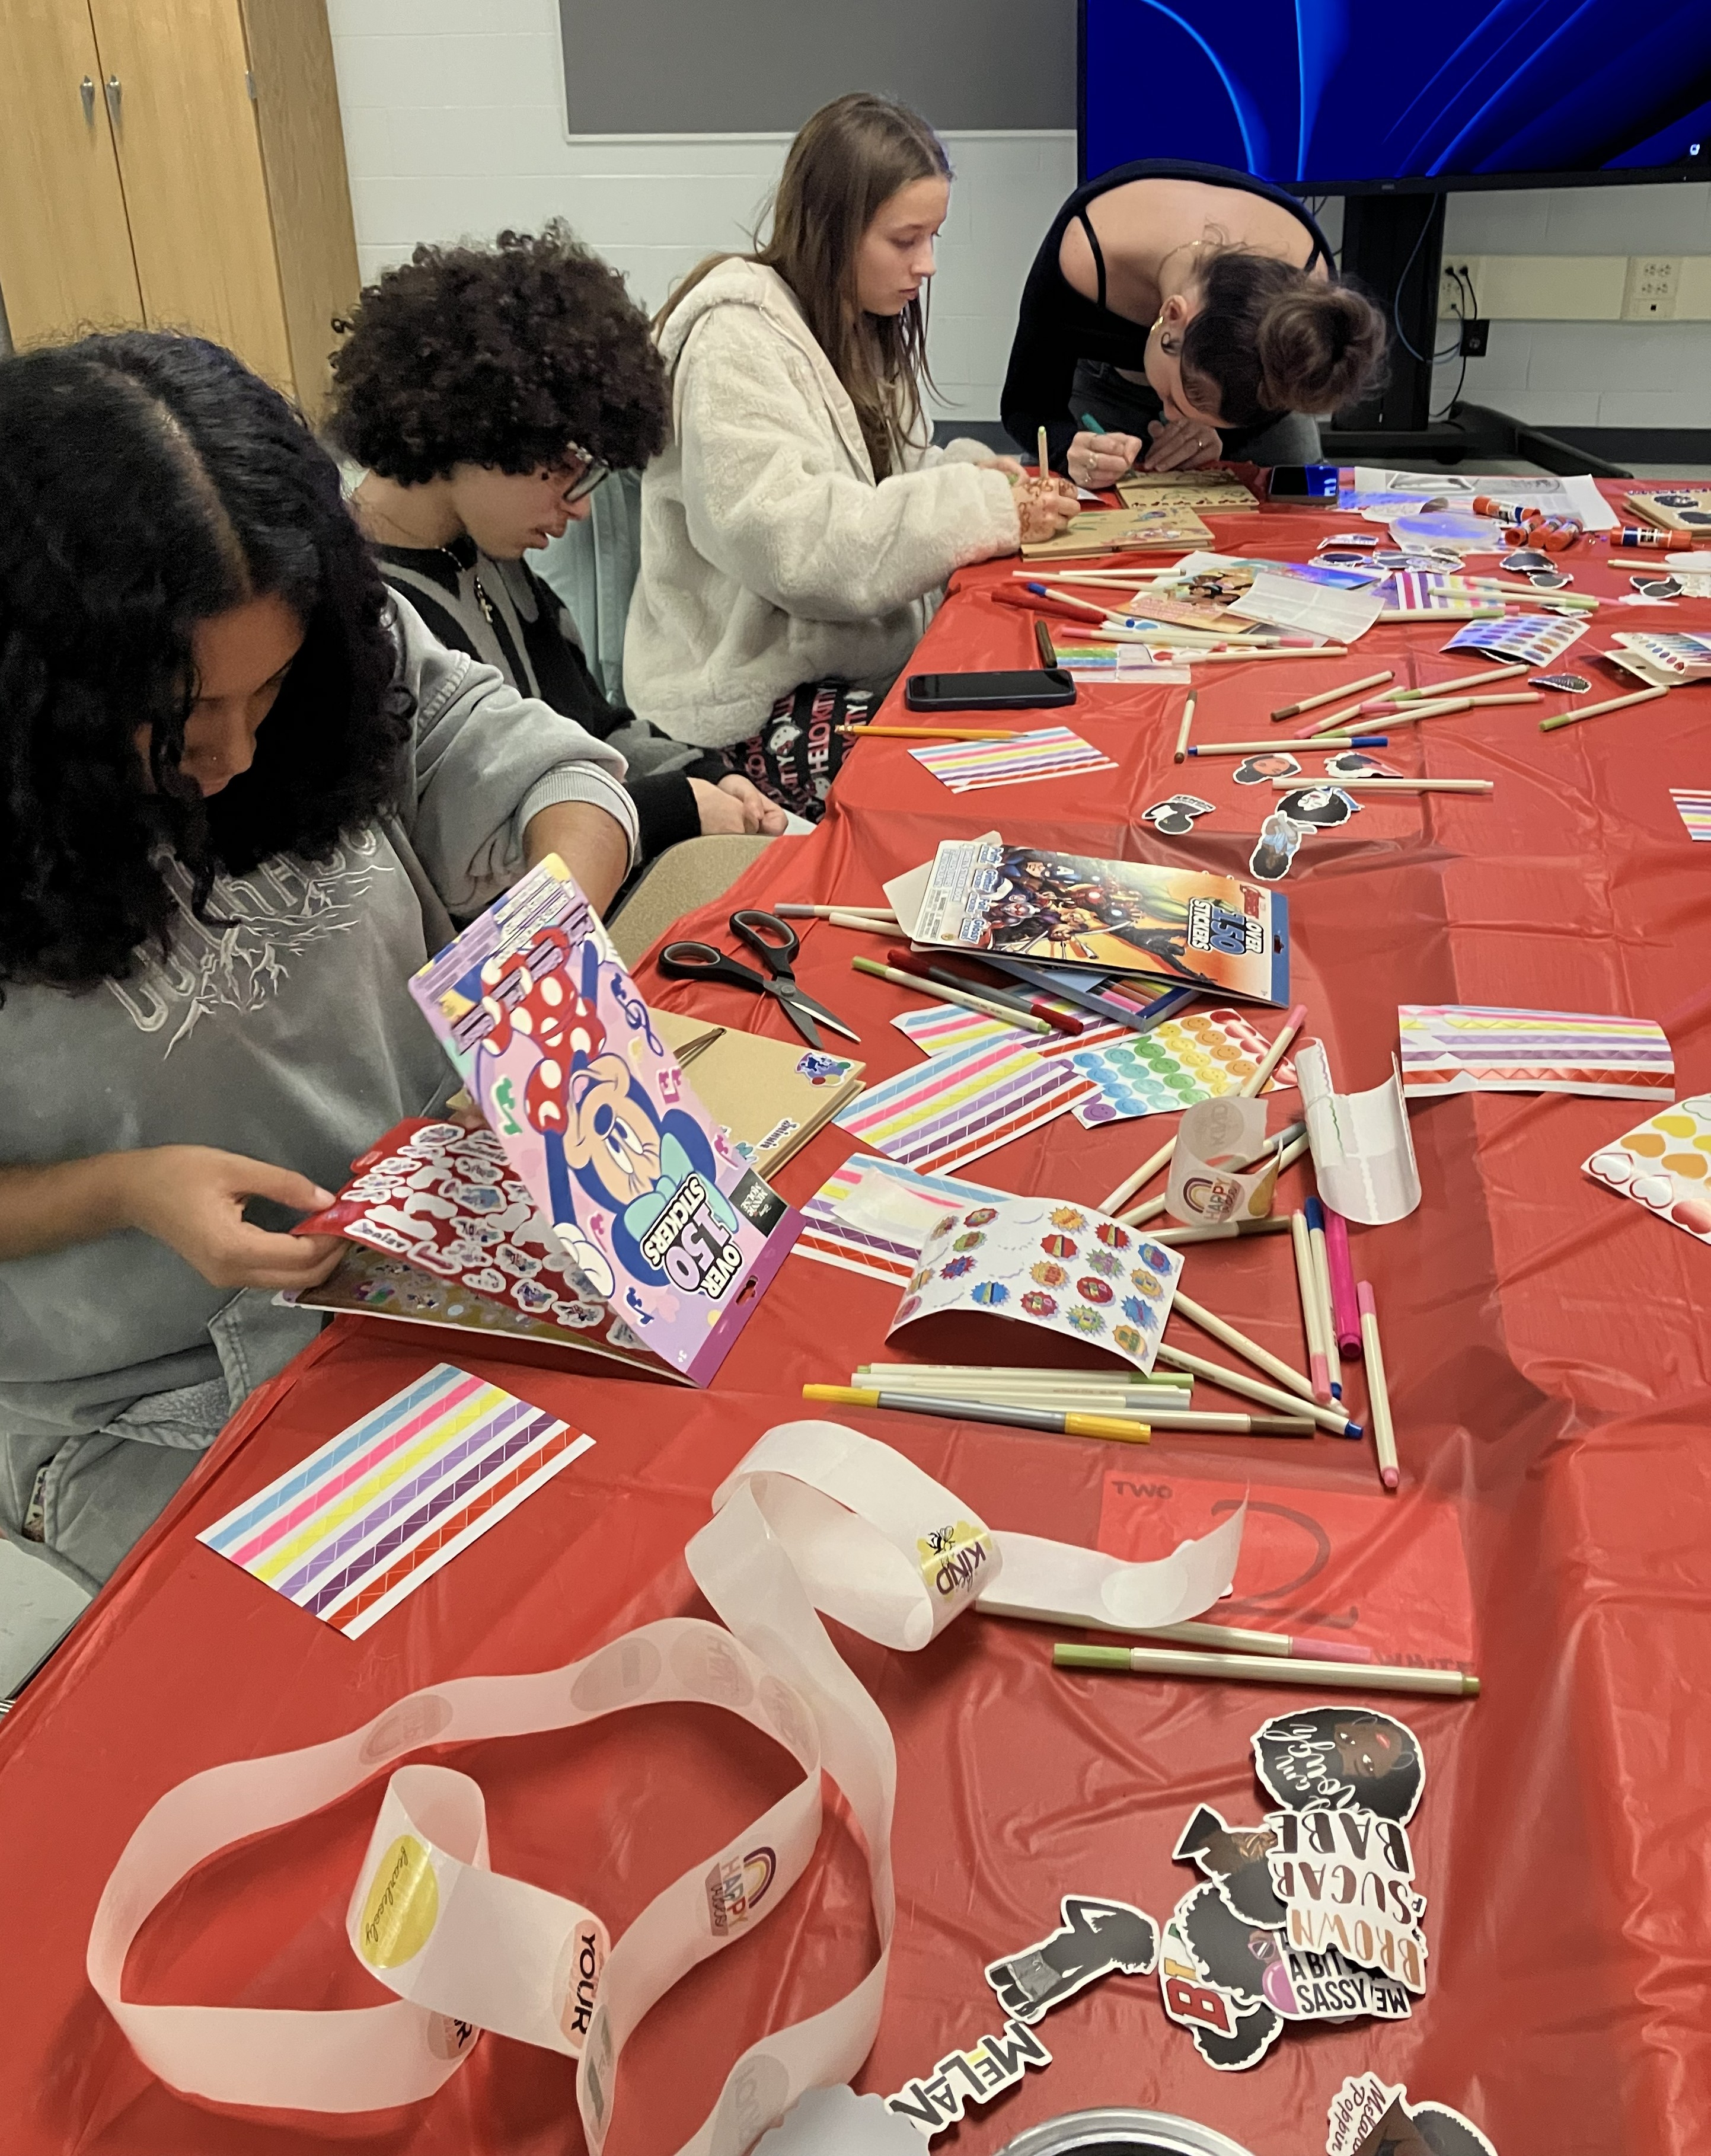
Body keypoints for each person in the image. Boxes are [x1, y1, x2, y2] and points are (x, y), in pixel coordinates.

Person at [0, 332, 639, 1591]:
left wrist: (536, 944)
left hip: (426, 1269)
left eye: (272, 689)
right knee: (418, 1641)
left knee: (639, 1536)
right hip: (152, 1399)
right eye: (182, 718)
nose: (235, 753)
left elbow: (557, 780)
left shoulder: (335, 641)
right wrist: (121, 1191)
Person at [625, 91, 1077, 818]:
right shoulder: (731, 342)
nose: (927, 264)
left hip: (850, 670)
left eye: (934, 237)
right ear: (832, 228)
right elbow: (802, 550)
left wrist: (981, 477)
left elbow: (895, 480)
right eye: (905, 240)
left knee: (1042, 724)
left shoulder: (862, 320)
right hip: (749, 705)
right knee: (977, 784)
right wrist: (983, 507)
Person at [328, 225, 789, 862]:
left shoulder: (494, 561)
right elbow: (472, 855)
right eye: (564, 469)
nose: (580, 506)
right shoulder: (369, 618)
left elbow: (591, 724)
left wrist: (701, 772)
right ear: (479, 428)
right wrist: (670, 808)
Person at [1001, 158, 1388, 482]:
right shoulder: (1087, 252)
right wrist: (1067, 448)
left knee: (1304, 493)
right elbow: (1026, 405)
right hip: (1105, 383)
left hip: (1254, 402)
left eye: (1184, 405)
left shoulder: (1305, 277)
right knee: (1051, 495)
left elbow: (1282, 401)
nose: (1171, 416)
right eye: (1175, 398)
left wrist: (1221, 432)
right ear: (1171, 315)